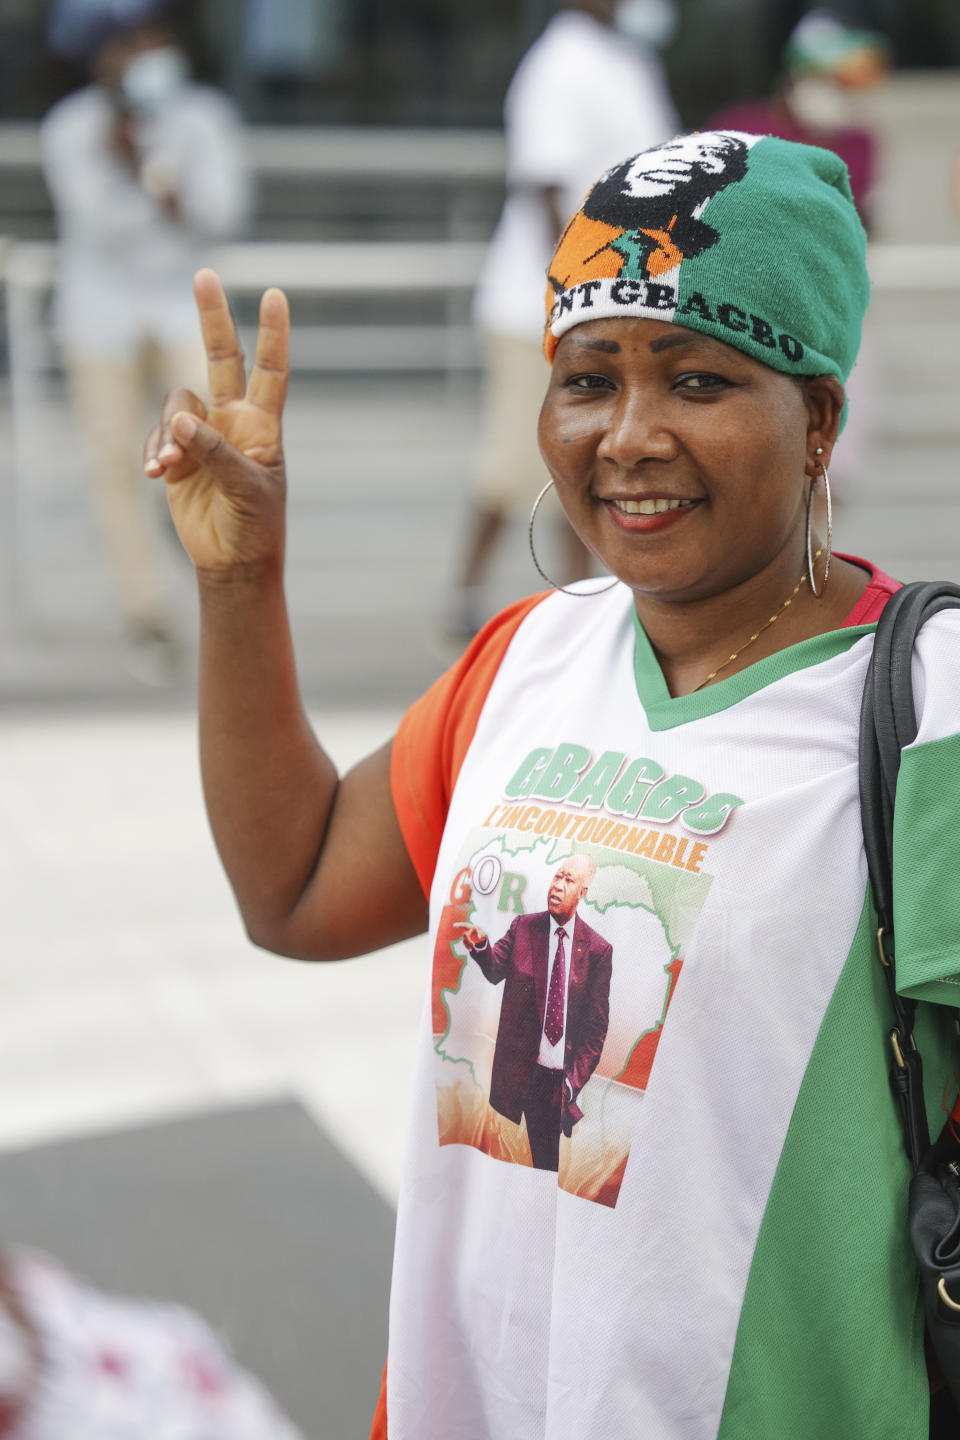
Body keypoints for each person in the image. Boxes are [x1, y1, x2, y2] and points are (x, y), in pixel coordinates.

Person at [143, 132, 960, 1438]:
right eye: (588, 380)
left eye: (698, 380)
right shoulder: (533, 657)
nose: (629, 437)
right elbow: (294, 890)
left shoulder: (934, 716)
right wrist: (241, 583)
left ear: (818, 420)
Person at [444, 0, 678, 644]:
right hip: (542, 308)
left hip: (611, 300)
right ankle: (463, 596)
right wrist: (574, 298)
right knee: (517, 461)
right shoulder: (558, 65)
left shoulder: (626, 59)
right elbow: (546, 187)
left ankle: (583, 606)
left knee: (594, 460)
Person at [41, 0, 249, 681]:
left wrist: (149, 176)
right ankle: (146, 613)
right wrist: (156, 195)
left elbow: (221, 211)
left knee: (221, 434)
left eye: (151, 36)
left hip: (181, 305)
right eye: (127, 42)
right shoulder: (72, 128)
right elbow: (97, 224)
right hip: (100, 314)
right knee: (115, 461)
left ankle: (214, 557)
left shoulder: (202, 117)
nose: (144, 53)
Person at [460, 854, 612, 1171]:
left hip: (559, 1084)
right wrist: (480, 946)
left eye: (568, 880)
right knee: (506, 1170)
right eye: (557, 876)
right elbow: (494, 969)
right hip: (520, 1076)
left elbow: (596, 1032)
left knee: (548, 1171)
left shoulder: (597, 950)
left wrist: (571, 1085)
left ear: (583, 892)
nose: (557, 885)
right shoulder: (524, 927)